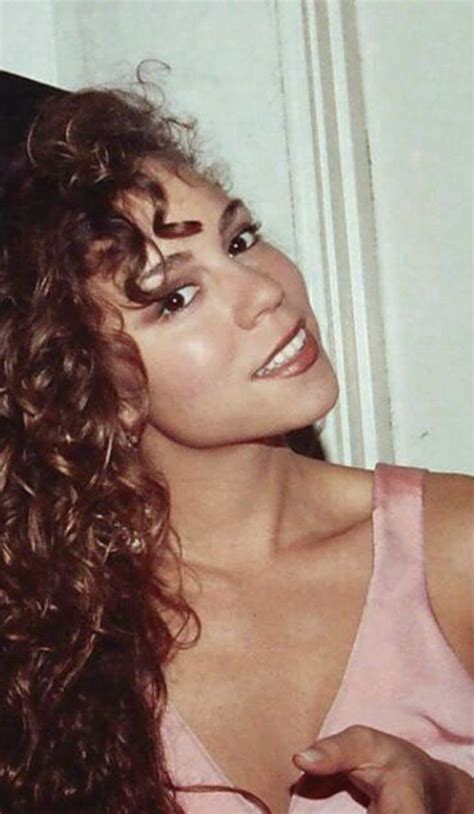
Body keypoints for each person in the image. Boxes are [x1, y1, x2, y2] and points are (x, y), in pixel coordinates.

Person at [0, 84, 472, 814]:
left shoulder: (454, 545)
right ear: (82, 376)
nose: (263, 292)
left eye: (240, 240)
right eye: (175, 296)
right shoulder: (48, 638)